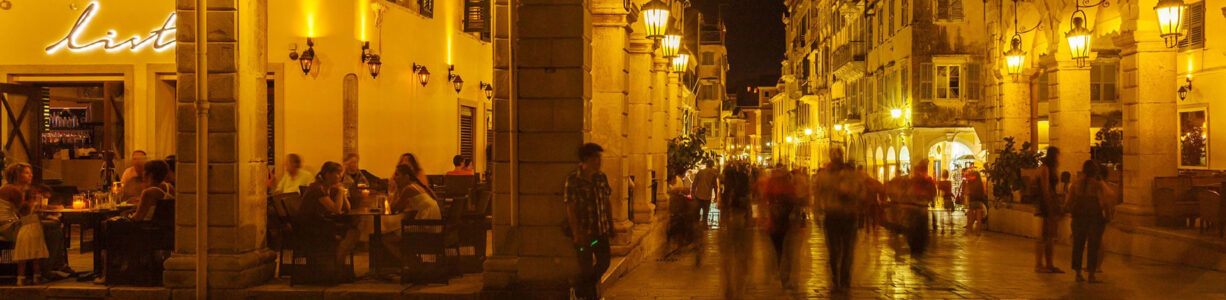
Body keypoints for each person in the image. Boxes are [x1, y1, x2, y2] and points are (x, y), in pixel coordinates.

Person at [564, 143, 613, 300]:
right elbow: (570, 207)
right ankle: (590, 295)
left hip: (600, 230)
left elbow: (606, 201)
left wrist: (611, 224)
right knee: (585, 267)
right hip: (585, 233)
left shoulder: (601, 177)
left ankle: (581, 287)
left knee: (604, 262)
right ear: (586, 159)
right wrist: (576, 233)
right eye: (596, 158)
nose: (600, 161)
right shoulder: (573, 180)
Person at [295, 161, 355, 283]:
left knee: (353, 231)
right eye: (338, 174)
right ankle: (337, 269)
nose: (340, 176)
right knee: (351, 232)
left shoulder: (326, 187)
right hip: (309, 229)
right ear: (328, 174)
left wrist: (341, 192)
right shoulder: (317, 188)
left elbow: (347, 208)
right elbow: (336, 210)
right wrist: (339, 192)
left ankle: (338, 268)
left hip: (318, 225)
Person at [815, 148, 864, 293]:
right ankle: (842, 277)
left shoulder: (824, 175)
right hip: (843, 215)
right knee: (843, 250)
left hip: (837, 215)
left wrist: (818, 212)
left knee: (837, 249)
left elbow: (818, 195)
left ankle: (840, 277)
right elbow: (861, 193)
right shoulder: (850, 174)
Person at [1066, 160, 1116, 283]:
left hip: (1078, 218)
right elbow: (1104, 201)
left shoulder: (1076, 184)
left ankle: (1078, 273)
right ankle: (1091, 274)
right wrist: (1108, 216)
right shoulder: (1097, 185)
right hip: (1094, 219)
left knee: (1078, 245)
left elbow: (1069, 202)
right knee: (1093, 246)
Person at [1022, 147, 1063, 273]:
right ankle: (1039, 265)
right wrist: (1049, 205)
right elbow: (1045, 188)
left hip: (1048, 203)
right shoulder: (1045, 169)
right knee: (1044, 236)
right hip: (1045, 204)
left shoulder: (1048, 169)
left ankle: (1049, 264)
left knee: (1050, 236)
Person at [13, 191, 48, 285]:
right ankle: (37, 276)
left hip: (23, 230)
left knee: (22, 257)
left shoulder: (19, 206)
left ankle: (20, 279)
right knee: (36, 256)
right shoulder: (34, 204)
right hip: (34, 230)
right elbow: (41, 215)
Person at [905, 159, 936, 256]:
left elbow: (907, 193)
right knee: (921, 229)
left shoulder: (915, 180)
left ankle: (916, 248)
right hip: (920, 208)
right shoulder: (926, 181)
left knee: (916, 229)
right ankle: (919, 248)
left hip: (915, 208)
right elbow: (932, 193)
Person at [690, 162, 719, 226]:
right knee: (705, 215)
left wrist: (692, 193)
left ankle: (696, 227)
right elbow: (715, 186)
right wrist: (716, 196)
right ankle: (704, 227)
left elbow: (694, 184)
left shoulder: (700, 172)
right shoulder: (713, 174)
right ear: (712, 167)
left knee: (697, 214)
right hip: (707, 197)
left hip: (698, 196)